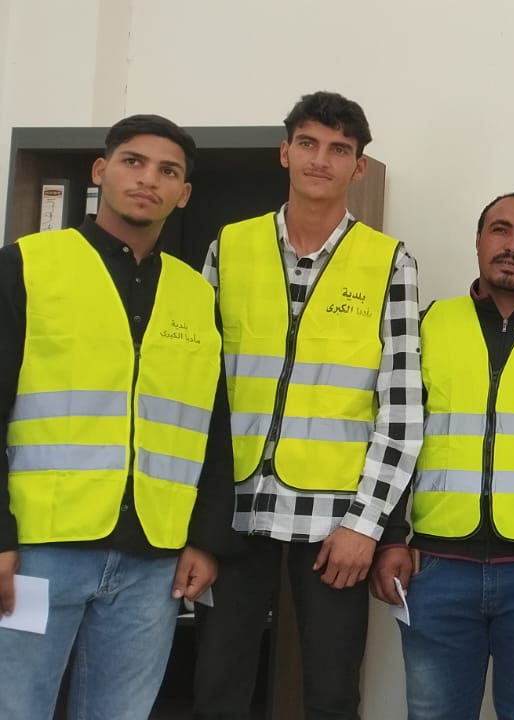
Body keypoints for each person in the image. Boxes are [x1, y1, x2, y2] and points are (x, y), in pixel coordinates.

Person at [193, 91, 422, 720]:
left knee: (330, 694)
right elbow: (196, 388)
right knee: (216, 686)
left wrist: (365, 526)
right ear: (285, 152)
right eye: (308, 143)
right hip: (232, 513)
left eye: (339, 149)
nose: (321, 159)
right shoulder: (229, 247)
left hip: (334, 523)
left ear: (359, 167)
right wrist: (197, 522)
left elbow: (401, 408)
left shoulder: (388, 262)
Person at [0, 114, 227, 719]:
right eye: (133, 162)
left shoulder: (197, 296)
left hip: (153, 561)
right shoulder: (26, 265)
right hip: (39, 553)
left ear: (183, 193)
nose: (149, 179)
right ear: (101, 171)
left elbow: (213, 427)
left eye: (168, 171)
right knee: (16, 707)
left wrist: (205, 539)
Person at [371, 191, 514, 718]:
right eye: (500, 230)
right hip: (436, 568)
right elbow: (393, 435)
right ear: (478, 240)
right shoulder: (426, 325)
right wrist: (391, 537)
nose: (513, 246)